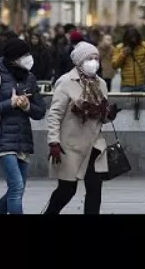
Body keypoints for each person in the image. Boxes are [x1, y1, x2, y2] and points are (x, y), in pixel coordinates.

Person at [43, 41, 120, 215]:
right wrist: (53, 141)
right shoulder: (65, 82)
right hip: (70, 145)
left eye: (96, 58)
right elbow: (55, 114)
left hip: (95, 145)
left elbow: (101, 116)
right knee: (67, 190)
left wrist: (109, 115)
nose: (94, 62)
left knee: (95, 188)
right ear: (79, 61)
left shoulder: (101, 84)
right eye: (89, 58)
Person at [0, 38, 46, 214]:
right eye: (25, 55)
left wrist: (27, 106)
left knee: (18, 189)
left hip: (22, 139)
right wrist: (10, 103)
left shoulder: (29, 77)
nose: (29, 58)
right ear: (14, 58)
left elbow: (40, 112)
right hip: (2, 138)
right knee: (16, 187)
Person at [112, 27, 145, 92]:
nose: (133, 41)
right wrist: (123, 54)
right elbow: (114, 65)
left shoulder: (144, 46)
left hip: (142, 83)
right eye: (131, 39)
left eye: (135, 39)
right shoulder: (120, 48)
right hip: (127, 85)